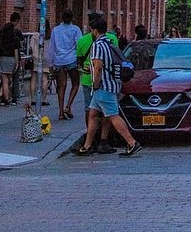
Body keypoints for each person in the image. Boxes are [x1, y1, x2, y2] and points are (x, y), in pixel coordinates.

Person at [73, 16, 141, 158]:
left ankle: (132, 142)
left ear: (94, 30)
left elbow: (98, 67)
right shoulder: (109, 43)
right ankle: (87, 146)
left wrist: (95, 84)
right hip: (111, 84)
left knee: (112, 115)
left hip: (103, 87)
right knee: (92, 114)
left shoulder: (97, 45)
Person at [76, 13, 119, 151]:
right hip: (107, 81)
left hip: (91, 81)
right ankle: (103, 139)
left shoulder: (82, 40)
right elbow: (115, 59)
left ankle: (90, 140)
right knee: (104, 113)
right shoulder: (112, 39)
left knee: (89, 110)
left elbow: (79, 61)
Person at [48, 10, 82, 120]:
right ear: (72, 18)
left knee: (61, 87)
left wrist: (51, 63)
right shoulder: (75, 29)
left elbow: (52, 47)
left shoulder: (56, 30)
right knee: (75, 83)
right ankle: (68, 106)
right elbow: (79, 45)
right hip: (71, 59)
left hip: (59, 61)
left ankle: (61, 112)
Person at [0, 16, 21, 106]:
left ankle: (5, 99)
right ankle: (8, 98)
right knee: (10, 80)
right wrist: (17, 63)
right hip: (12, 59)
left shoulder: (1, 38)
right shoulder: (15, 39)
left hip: (3, 59)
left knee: (5, 81)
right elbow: (16, 52)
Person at [29, 20, 52, 106]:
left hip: (36, 57)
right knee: (44, 78)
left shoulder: (35, 35)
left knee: (34, 78)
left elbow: (31, 46)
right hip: (46, 58)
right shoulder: (49, 36)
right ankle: (44, 99)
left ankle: (32, 99)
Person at [10, 12, 25, 104]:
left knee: (5, 78)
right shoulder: (17, 32)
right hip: (15, 56)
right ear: (17, 21)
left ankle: (4, 96)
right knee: (15, 77)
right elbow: (22, 45)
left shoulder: (4, 30)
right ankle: (14, 97)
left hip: (4, 56)